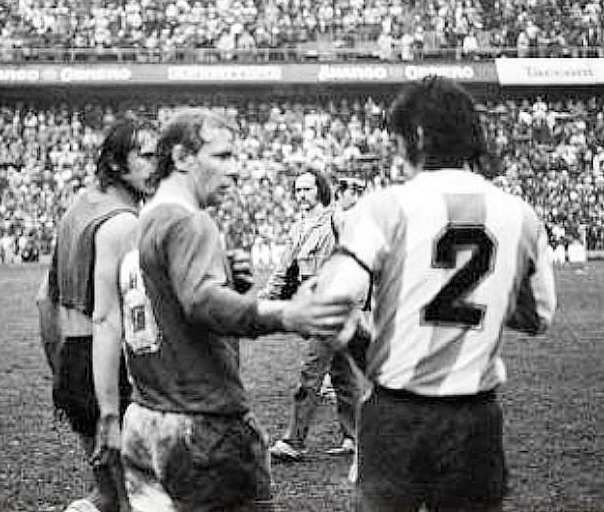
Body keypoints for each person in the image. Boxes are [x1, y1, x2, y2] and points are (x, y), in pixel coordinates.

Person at [313, 76, 557, 512]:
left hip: (396, 414)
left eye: (398, 139)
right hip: (475, 419)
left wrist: (363, 346)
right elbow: (539, 315)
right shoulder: (521, 216)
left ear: (419, 136)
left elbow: (332, 303)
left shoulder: (384, 207)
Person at [107, 109, 353, 512]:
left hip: (147, 417)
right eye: (221, 157)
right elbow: (201, 301)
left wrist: (228, 284)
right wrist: (286, 313)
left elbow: (166, 305)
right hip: (202, 424)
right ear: (184, 157)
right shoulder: (191, 222)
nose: (235, 170)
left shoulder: (141, 221)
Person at [36, 118, 158, 512]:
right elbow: (117, 318)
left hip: (73, 358)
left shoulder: (77, 209)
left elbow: (44, 299)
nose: (157, 164)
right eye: (146, 155)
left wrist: (61, 370)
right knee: (137, 500)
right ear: (117, 163)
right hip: (112, 368)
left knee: (106, 493)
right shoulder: (124, 223)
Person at [262, 168, 366, 461]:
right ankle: (356, 438)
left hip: (334, 306)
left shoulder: (336, 219)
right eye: (297, 190)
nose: (302, 195)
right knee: (343, 375)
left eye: (307, 189)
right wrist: (262, 299)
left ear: (320, 189)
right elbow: (283, 270)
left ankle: (294, 441)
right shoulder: (298, 228)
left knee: (311, 372)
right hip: (316, 306)